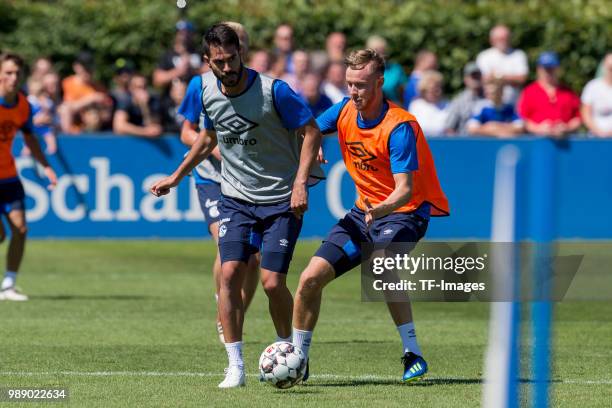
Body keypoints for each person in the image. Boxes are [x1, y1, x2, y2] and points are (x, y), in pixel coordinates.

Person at [150, 23, 324, 388]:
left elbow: (311, 131)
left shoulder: (273, 90)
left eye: (232, 60)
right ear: (207, 61)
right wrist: (176, 176)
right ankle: (235, 367)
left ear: (240, 54)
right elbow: (206, 137)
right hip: (236, 199)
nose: (227, 68)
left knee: (273, 283)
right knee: (229, 274)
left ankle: (290, 352)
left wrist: (299, 184)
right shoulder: (204, 88)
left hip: (280, 199)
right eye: (219, 62)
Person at [291, 48, 449, 383]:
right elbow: (309, 128)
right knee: (308, 280)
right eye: (349, 84)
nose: (353, 92)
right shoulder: (346, 110)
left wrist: (378, 210)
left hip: (404, 213)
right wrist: (314, 139)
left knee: (381, 265)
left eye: (361, 85)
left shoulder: (399, 127)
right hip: (364, 213)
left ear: (379, 83)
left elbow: (404, 190)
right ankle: (297, 359)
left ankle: (412, 353)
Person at [178, 21, 261, 345]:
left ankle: (236, 312)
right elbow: (186, 131)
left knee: (253, 258)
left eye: (237, 43)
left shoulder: (259, 86)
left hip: (249, 181)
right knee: (226, 243)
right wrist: (213, 151)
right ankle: (222, 307)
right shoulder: (199, 86)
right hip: (212, 177)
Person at [0, 53, 58, 301]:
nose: (13, 78)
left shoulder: (23, 105)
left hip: (9, 177)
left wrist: (46, 166)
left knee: (21, 229)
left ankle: (8, 285)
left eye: (17, 73)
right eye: (8, 72)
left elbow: (30, 138)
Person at [517, 51, 582, 138]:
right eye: (545, 68)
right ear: (538, 69)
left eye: (552, 68)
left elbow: (578, 117)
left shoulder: (568, 92)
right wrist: (538, 128)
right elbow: (521, 118)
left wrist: (567, 127)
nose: (548, 72)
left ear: (558, 69)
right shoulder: (529, 91)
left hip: (564, 143)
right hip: (537, 143)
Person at [58, 51, 111, 134]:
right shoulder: (67, 83)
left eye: (90, 67)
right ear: (76, 67)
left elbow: (107, 114)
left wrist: (99, 111)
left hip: (96, 128)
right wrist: (91, 99)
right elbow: (68, 107)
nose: (87, 71)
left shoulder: (100, 87)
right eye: (85, 68)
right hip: (75, 129)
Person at [476, 24, 528, 104]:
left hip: (513, 104)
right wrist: (509, 78)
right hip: (490, 104)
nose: (503, 42)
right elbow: (483, 79)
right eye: (499, 39)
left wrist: (498, 76)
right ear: (492, 40)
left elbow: (522, 78)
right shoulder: (484, 56)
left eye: (505, 38)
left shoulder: (518, 55)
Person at [153, 20, 202, 91]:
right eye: (180, 32)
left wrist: (194, 70)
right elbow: (157, 80)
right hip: (172, 100)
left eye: (187, 32)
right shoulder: (167, 55)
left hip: (197, 98)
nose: (184, 36)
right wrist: (179, 71)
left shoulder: (199, 52)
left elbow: (211, 71)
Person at [112, 73, 163, 138]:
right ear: (130, 88)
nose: (142, 90)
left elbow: (153, 128)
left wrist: (144, 106)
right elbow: (119, 126)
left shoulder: (153, 102)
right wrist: (143, 132)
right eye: (138, 87)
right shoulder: (125, 102)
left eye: (144, 87)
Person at [444, 62, 486, 135]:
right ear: (465, 79)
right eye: (473, 76)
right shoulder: (459, 101)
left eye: (477, 76)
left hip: (488, 143)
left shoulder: (489, 98)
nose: (475, 79)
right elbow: (449, 128)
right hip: (465, 143)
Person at [366, 35, 407, 105]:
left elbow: (403, 93)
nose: (381, 55)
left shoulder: (396, 69)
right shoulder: (363, 69)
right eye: (377, 51)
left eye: (383, 51)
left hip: (393, 108)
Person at [408, 70, 449, 136]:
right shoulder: (415, 105)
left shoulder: (447, 105)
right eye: (432, 89)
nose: (437, 92)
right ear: (424, 90)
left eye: (438, 88)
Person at [581, 53, 612, 137]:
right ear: (604, 66)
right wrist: (599, 132)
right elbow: (585, 113)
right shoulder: (592, 86)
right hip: (596, 137)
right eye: (610, 68)